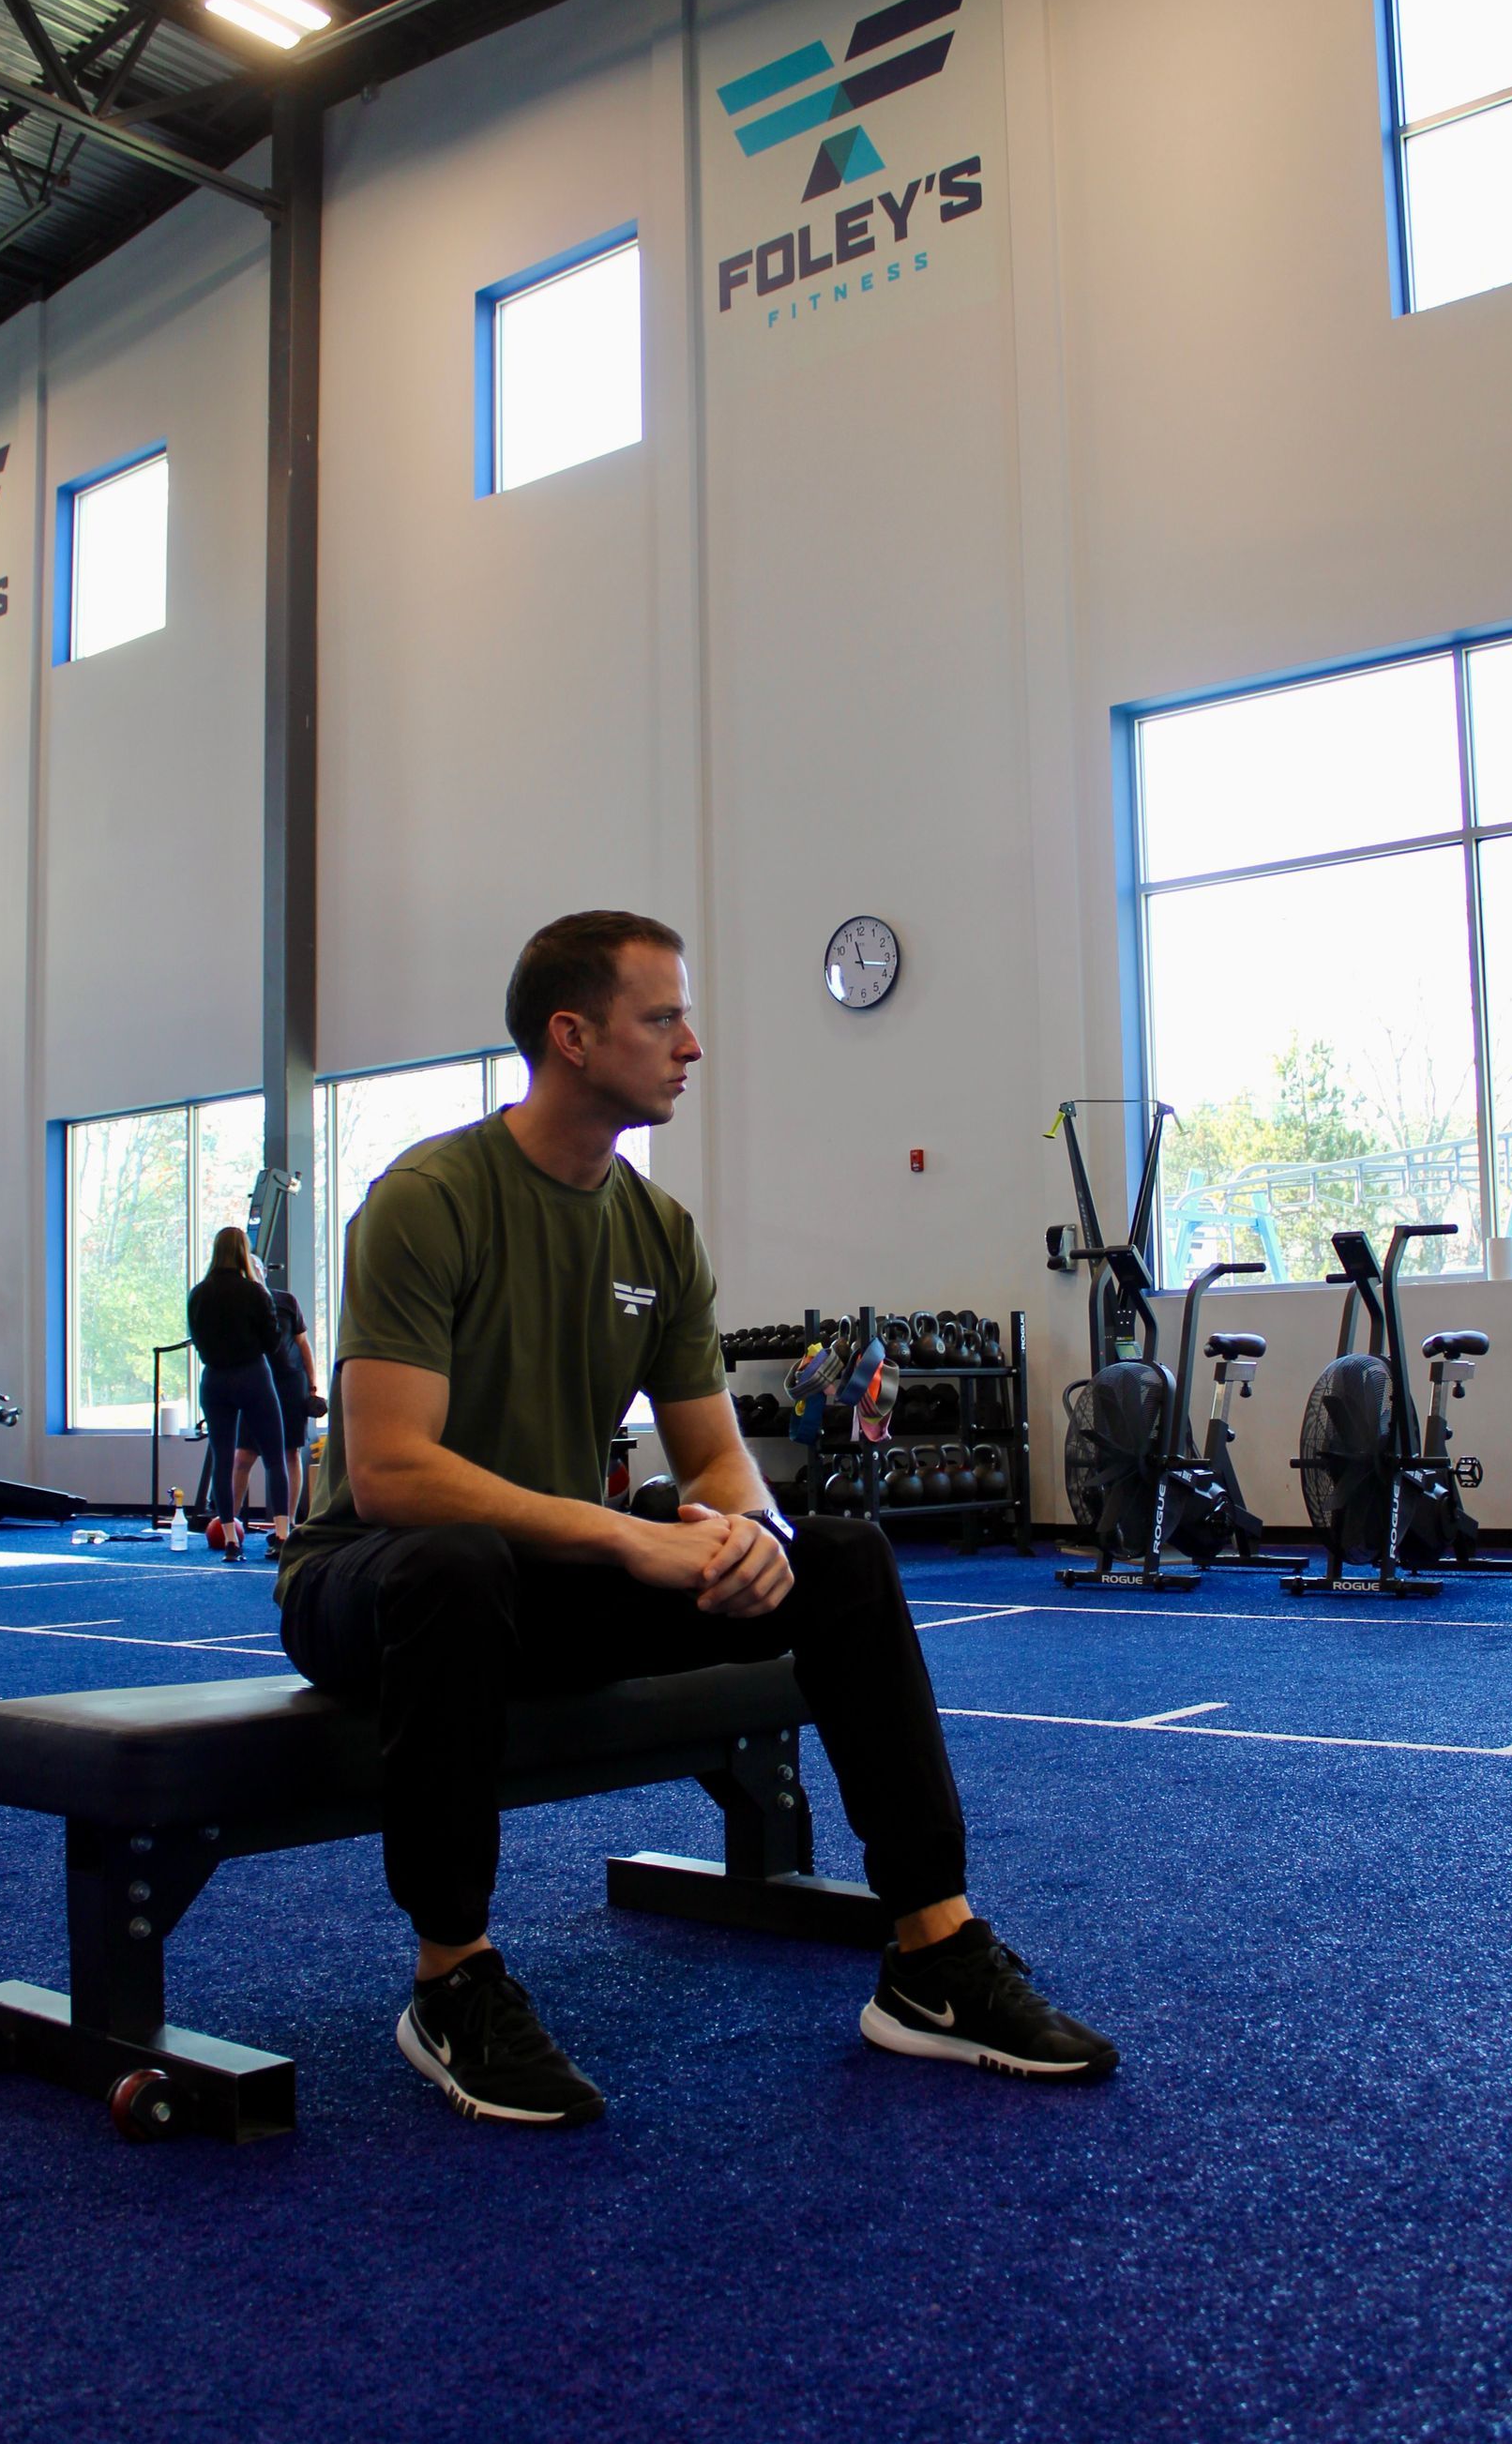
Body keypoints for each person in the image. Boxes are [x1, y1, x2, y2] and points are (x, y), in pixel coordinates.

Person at [276, 911, 1118, 2127]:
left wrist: (750, 1545)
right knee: (452, 1565)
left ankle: (933, 1950)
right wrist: (634, 1535)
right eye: (662, 1018)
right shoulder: (429, 1196)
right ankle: (450, 1976)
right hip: (372, 1584)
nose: (692, 1046)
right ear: (573, 1036)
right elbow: (395, 1472)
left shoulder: (657, 1230)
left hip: (544, 1582)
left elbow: (717, 1457)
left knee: (837, 1554)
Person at [187, 1227, 291, 1563]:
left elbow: (197, 1338)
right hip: (252, 1375)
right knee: (275, 1456)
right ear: (244, 1252)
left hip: (214, 1378)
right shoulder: (254, 1292)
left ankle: (231, 1539)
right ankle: (281, 1535)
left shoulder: (198, 1294)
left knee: (223, 1458)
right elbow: (273, 1341)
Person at [234, 1254, 325, 1541]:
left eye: (255, 1268)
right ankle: (229, 1524)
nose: (252, 1274)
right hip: (252, 1385)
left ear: (262, 1272)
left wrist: (312, 1383)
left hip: (289, 1385)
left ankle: (286, 1526)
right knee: (243, 1456)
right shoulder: (236, 1307)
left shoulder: (286, 1301)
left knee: (289, 1452)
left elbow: (302, 1343)